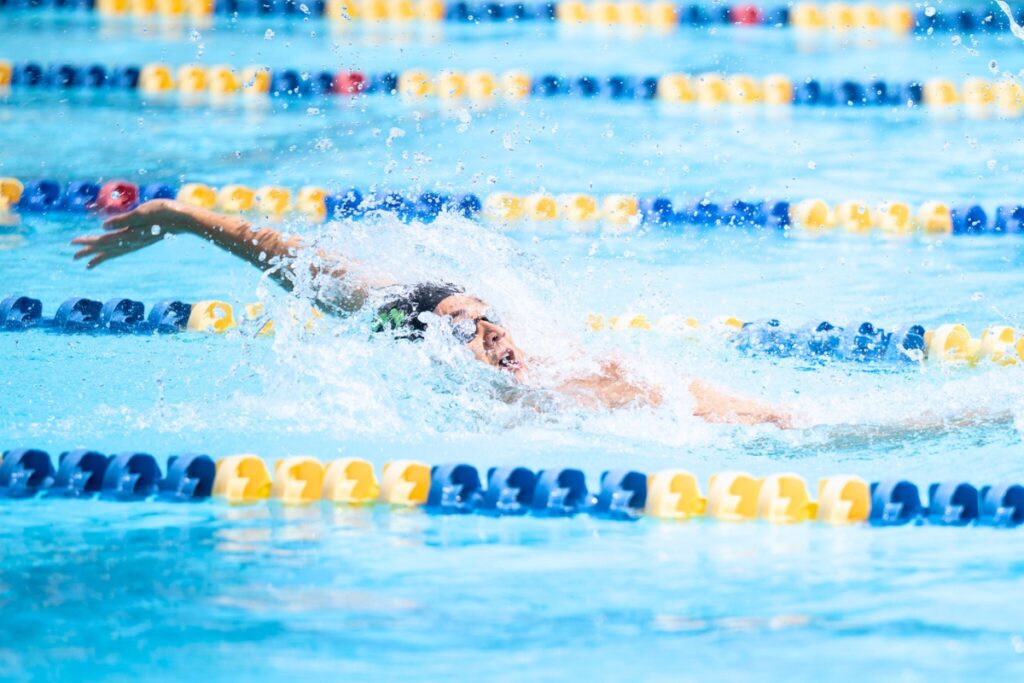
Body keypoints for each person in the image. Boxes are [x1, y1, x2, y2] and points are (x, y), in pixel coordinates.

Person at [70, 198, 802, 428]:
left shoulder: (570, 367)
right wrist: (183, 218)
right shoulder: (378, 307)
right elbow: (280, 252)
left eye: (489, 319)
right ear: (426, 342)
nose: (491, 335)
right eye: (468, 330)